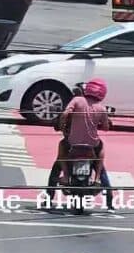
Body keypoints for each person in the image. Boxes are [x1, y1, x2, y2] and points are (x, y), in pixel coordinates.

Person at [49, 79, 115, 210]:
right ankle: (107, 197)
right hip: (92, 145)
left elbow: (64, 114)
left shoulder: (76, 101)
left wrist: (62, 124)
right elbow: (106, 127)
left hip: (72, 143)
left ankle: (49, 195)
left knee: (57, 166)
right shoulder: (101, 108)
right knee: (101, 164)